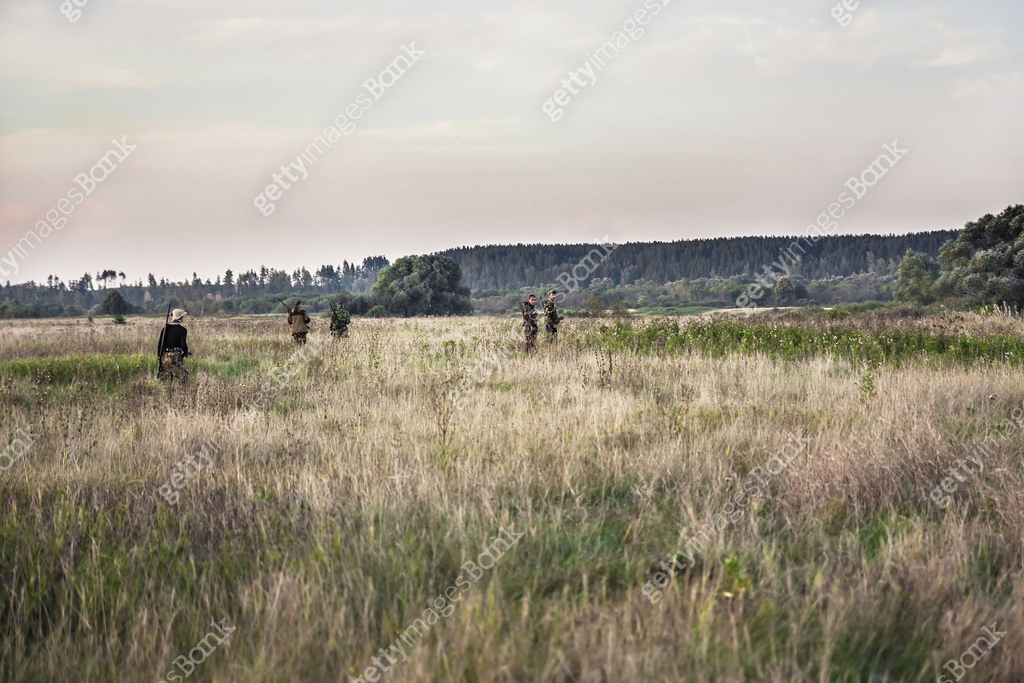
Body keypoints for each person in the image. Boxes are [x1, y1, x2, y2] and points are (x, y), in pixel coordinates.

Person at [157, 308, 190, 385]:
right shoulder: (182, 330)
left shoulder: (165, 329)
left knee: (166, 381)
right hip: (175, 356)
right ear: (181, 318)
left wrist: (159, 356)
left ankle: (167, 395)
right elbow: (183, 345)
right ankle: (183, 393)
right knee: (184, 377)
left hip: (164, 356)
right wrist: (185, 352)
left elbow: (160, 344)